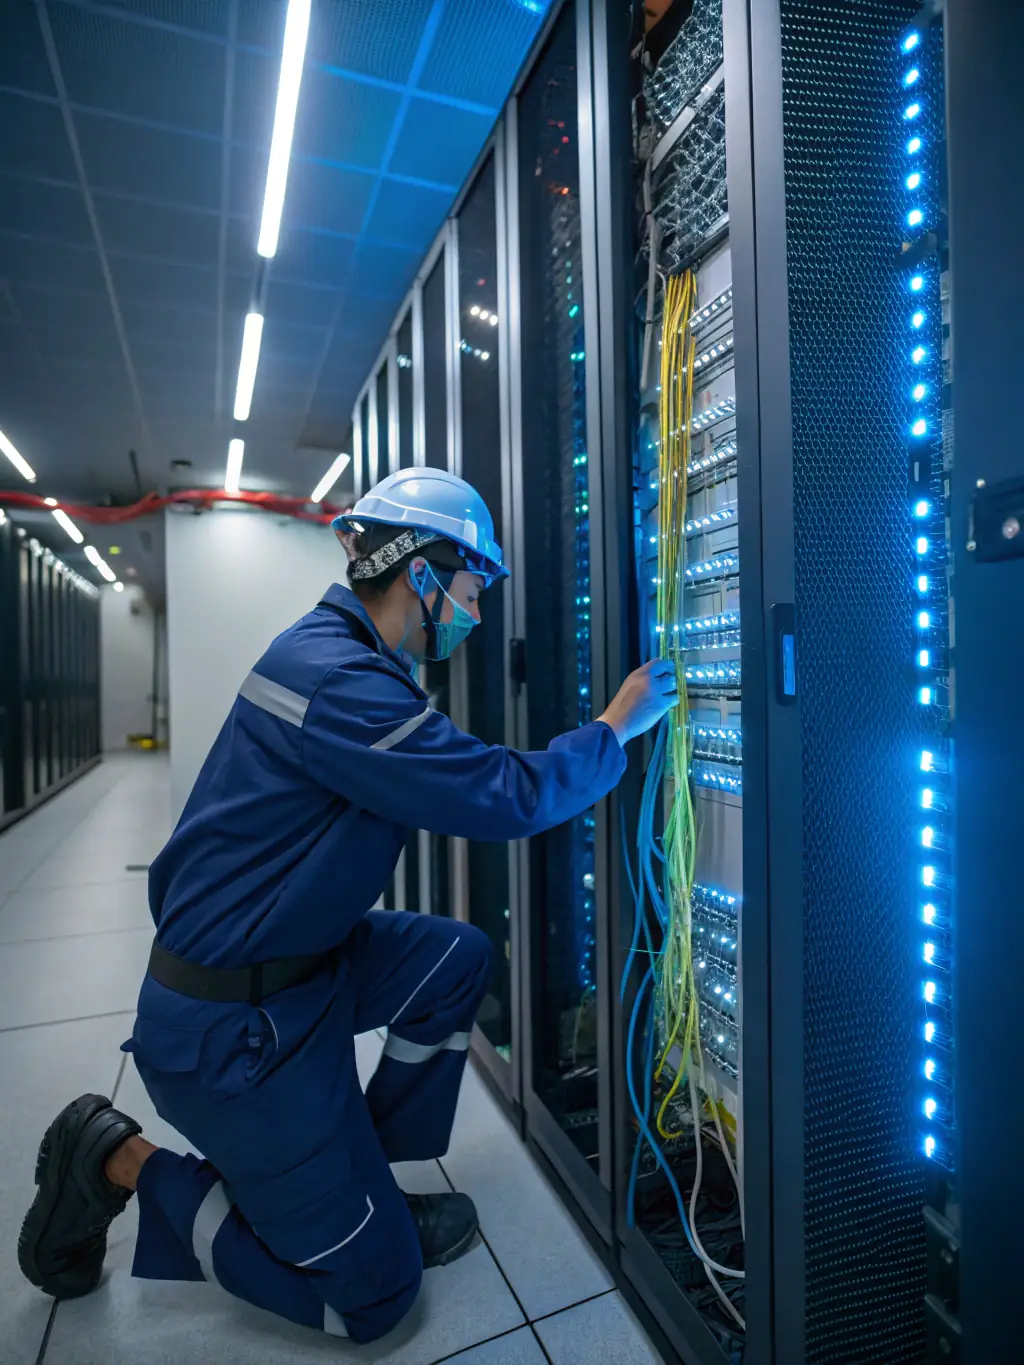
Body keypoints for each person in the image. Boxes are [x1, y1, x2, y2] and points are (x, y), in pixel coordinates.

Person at [17, 468, 678, 1344]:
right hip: (232, 1032)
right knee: (372, 1300)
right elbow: (502, 796)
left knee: (456, 959)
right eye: (472, 588)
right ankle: (115, 1155)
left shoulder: (349, 657)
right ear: (423, 572)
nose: (475, 614)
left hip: (293, 968)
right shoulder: (341, 681)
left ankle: (354, 1176)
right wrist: (615, 727)